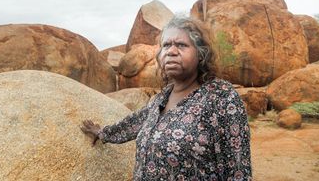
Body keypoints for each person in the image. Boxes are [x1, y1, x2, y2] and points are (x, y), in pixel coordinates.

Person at [81, 15, 252, 180]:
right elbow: (134, 123)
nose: (171, 51)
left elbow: (238, 168)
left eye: (181, 45)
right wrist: (102, 132)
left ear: (201, 54)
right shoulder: (160, 99)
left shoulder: (221, 96)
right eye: (166, 45)